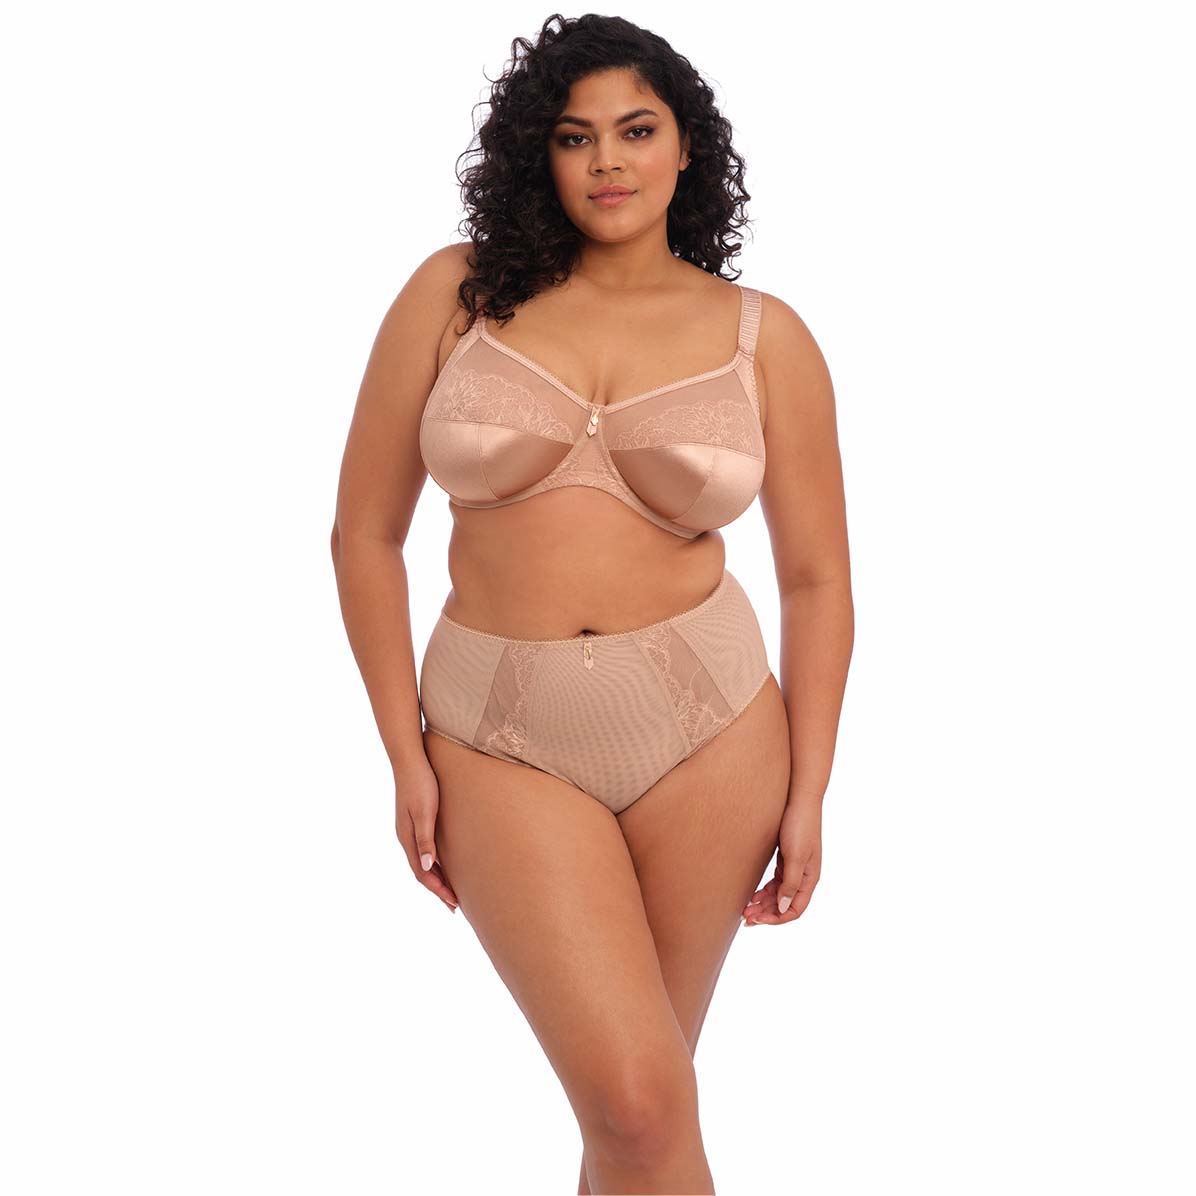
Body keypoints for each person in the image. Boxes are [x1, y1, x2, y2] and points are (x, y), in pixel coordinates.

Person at [331, 14, 853, 1194]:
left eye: (635, 130)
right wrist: (401, 752)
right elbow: (364, 535)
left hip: (711, 734)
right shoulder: (457, 293)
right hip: (496, 738)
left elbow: (817, 578)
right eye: (573, 137)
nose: (606, 160)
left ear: (686, 147)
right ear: (541, 154)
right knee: (636, 1102)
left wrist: (810, 788)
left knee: (635, 1117)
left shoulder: (763, 336)